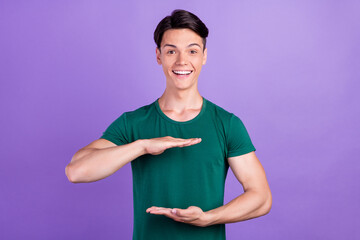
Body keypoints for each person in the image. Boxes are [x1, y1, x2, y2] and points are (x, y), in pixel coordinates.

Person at [65, 9, 272, 240]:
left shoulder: (227, 124)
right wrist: (142, 146)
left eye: (192, 51)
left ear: (203, 56)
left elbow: (261, 198)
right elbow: (77, 171)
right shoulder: (134, 123)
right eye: (171, 51)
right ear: (158, 56)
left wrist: (208, 218)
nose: (182, 61)